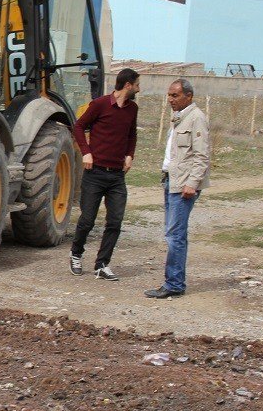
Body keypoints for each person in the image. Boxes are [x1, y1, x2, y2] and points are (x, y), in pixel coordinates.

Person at [69, 68, 141, 280]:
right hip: (95, 173)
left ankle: (102, 265)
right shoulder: (100, 104)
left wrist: (130, 155)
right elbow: (79, 126)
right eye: (137, 84)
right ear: (127, 84)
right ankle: (76, 254)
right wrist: (86, 153)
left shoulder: (132, 109)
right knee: (87, 220)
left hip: (117, 176)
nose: (139, 88)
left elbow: (132, 135)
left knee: (115, 221)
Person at [144, 79, 210, 299]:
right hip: (172, 181)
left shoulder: (196, 118)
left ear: (188, 96)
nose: (170, 99)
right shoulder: (179, 118)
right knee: (173, 233)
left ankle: (174, 283)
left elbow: (202, 155)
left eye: (175, 95)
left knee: (175, 235)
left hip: (183, 185)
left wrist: (192, 183)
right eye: (169, 95)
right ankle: (174, 281)